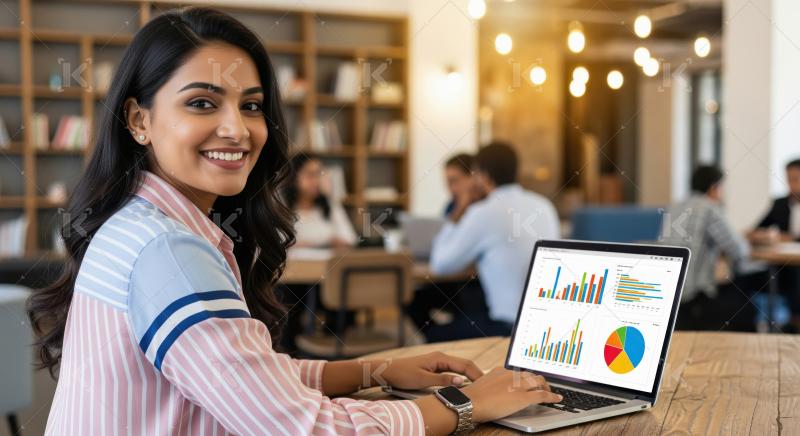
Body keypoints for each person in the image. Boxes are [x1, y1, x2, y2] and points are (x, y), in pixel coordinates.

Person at [27, 8, 562, 435]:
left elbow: (247, 374)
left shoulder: (142, 223)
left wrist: (372, 370)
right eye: (202, 103)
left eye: (252, 105)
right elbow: (303, 427)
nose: (237, 129)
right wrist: (464, 405)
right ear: (140, 120)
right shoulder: (169, 252)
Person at [428, 142, 560, 340]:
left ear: (482, 176)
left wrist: (461, 208)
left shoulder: (483, 212)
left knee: (432, 331)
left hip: (506, 328)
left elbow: (439, 265)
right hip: (545, 324)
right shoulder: (545, 205)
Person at [660, 166, 764, 330]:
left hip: (669, 292)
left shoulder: (674, 206)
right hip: (694, 297)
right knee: (748, 306)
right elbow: (740, 251)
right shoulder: (709, 208)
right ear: (714, 187)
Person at [749, 158, 800, 329]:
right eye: (789, 178)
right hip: (780, 267)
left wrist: (788, 238)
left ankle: (794, 323)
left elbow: (788, 237)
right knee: (744, 279)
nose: (791, 184)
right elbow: (757, 229)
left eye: (796, 179)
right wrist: (762, 236)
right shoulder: (779, 204)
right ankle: (755, 324)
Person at [284, 153, 357, 248]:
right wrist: (323, 243)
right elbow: (278, 245)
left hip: (328, 262)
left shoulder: (329, 205)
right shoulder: (281, 208)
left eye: (319, 174)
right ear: (293, 178)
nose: (316, 181)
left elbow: (350, 240)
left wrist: (331, 197)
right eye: (310, 175)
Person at [443, 153, 477, 217]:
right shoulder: (451, 206)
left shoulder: (486, 204)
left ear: (472, 178)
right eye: (448, 183)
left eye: (454, 181)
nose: (450, 188)